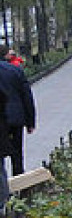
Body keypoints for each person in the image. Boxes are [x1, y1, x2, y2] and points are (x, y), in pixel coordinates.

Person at [0, 52, 36, 195]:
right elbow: (26, 96)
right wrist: (30, 121)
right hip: (16, 118)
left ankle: (3, 192)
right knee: (17, 153)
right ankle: (20, 188)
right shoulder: (15, 71)